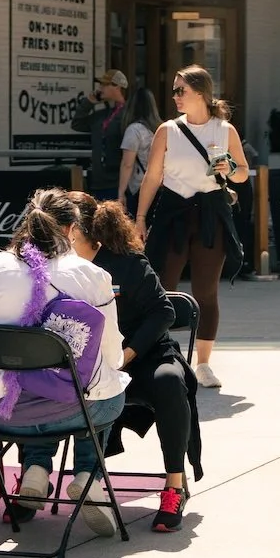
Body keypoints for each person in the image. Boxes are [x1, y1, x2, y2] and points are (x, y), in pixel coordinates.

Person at [0, 188, 129, 537]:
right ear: (73, 229)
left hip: (5, 412)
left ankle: (35, 471)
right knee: (103, 388)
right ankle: (88, 477)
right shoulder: (90, 274)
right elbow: (112, 354)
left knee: (36, 383)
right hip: (73, 410)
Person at [69, 193, 201, 535]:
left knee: (170, 381)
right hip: (87, 363)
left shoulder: (127, 263)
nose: (63, 239)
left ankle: (174, 485)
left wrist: (125, 356)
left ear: (84, 235)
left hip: (142, 356)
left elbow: (164, 312)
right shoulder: (60, 267)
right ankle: (32, 483)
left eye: (68, 232)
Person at [134, 65, 249, 391]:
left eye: (180, 90)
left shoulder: (223, 130)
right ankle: (163, 355)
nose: (174, 96)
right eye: (174, 90)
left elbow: (242, 174)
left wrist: (231, 167)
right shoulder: (167, 130)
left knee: (205, 291)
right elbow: (153, 177)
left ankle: (204, 364)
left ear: (201, 92)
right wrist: (141, 218)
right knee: (163, 288)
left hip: (210, 213)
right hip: (173, 212)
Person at [71, 68, 129, 200]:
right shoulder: (101, 116)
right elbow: (77, 124)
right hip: (98, 182)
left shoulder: (128, 114)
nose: (100, 88)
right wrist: (89, 102)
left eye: (104, 85)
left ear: (117, 87)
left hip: (118, 183)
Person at [116, 87, 162, 212]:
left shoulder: (134, 130)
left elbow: (127, 164)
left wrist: (121, 192)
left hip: (140, 188)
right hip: (160, 187)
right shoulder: (160, 128)